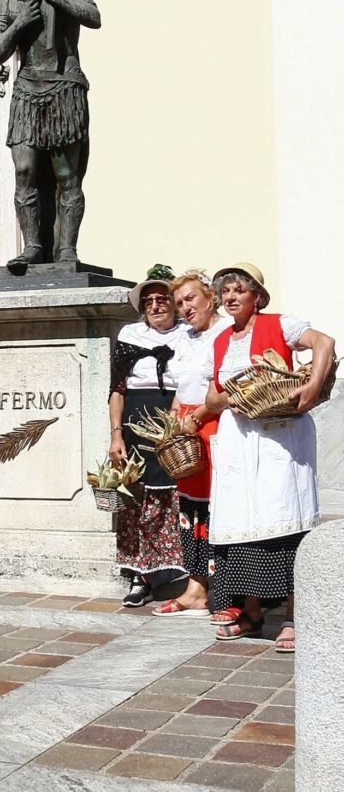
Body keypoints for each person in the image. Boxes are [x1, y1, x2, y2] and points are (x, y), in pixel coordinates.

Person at [205, 263, 334, 651]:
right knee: (242, 519)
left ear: (257, 296)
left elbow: (324, 343)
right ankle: (252, 611)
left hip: (280, 437)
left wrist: (311, 387)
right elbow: (213, 397)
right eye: (225, 292)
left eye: (239, 290)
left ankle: (295, 616)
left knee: (285, 516)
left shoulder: (281, 324)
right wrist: (233, 398)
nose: (230, 297)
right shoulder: (221, 339)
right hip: (239, 439)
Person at [0, 0, 101, 268]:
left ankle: (66, 248)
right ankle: (33, 245)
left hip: (64, 85)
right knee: (24, 170)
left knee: (67, 174)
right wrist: (21, 22)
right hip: (27, 88)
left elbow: (93, 17)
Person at [108, 265, 188, 607]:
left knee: (174, 497)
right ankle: (140, 578)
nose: (155, 305)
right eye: (149, 301)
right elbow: (117, 389)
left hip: (175, 415)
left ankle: (176, 570)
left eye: (162, 299)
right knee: (136, 499)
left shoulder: (188, 334)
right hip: (134, 419)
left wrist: (173, 422)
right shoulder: (129, 335)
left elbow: (191, 382)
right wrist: (116, 435)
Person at [154, 269, 230, 618]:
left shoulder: (226, 334)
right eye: (180, 302)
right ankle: (196, 587)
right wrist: (172, 422)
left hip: (213, 424)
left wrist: (196, 418)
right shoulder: (185, 339)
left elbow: (223, 390)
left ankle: (226, 589)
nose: (185, 307)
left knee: (219, 508)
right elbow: (179, 389)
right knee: (191, 510)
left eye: (191, 299)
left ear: (211, 296)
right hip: (185, 427)